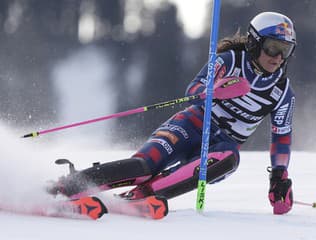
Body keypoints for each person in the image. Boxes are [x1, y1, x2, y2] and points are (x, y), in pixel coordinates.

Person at [48, 12, 296, 215]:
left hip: (221, 144)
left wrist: (278, 178)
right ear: (254, 42)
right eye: (273, 48)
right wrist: (217, 90)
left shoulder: (282, 91)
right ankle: (66, 186)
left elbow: (282, 137)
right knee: (144, 166)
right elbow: (195, 88)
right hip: (192, 124)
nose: (278, 57)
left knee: (228, 159)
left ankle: (142, 197)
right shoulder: (229, 61)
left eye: (285, 50)